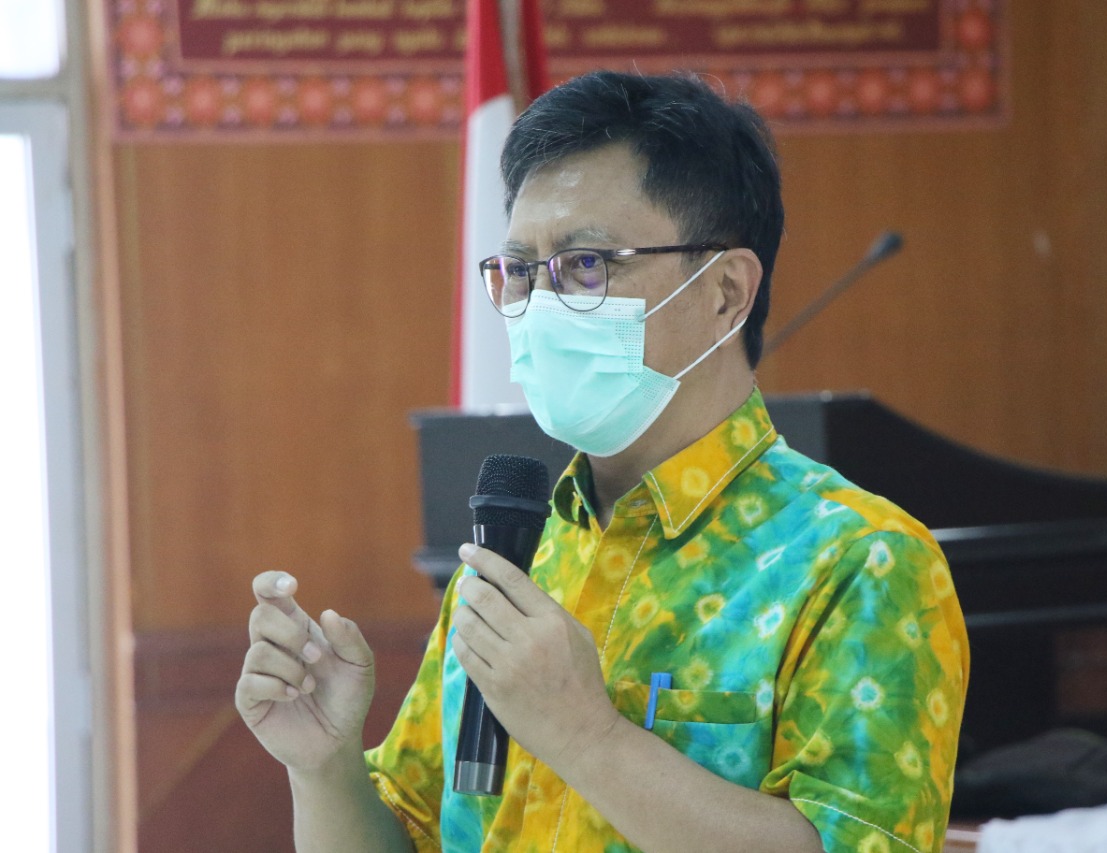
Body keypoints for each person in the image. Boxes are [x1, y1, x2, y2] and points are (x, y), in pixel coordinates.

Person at [236, 70, 969, 853]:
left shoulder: (859, 560)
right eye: (521, 270)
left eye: (587, 264)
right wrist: (323, 766)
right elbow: (415, 831)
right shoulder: (516, 556)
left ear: (725, 292)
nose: (541, 305)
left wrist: (586, 733)